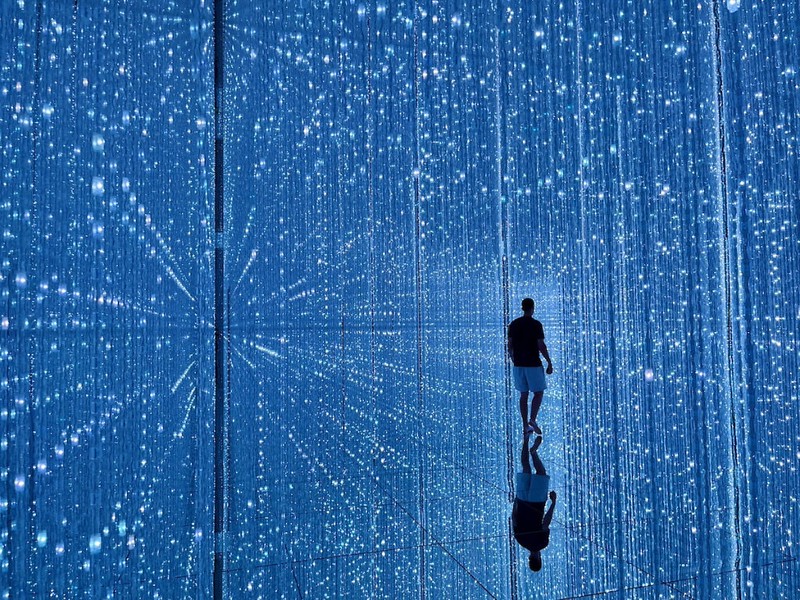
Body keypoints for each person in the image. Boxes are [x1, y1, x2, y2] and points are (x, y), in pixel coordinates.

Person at [507, 297, 552, 435]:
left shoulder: (513, 325)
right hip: (533, 364)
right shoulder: (536, 325)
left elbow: (510, 346)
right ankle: (532, 419)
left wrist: (514, 360)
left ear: (522, 307)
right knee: (538, 393)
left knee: (523, 395)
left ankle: (525, 425)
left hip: (519, 365)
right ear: (533, 308)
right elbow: (541, 345)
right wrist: (549, 362)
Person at [512, 434, 556, 571]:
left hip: (537, 502)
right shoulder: (521, 541)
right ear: (529, 560)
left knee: (541, 472)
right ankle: (525, 439)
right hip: (522, 501)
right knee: (525, 467)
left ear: (539, 559)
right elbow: (514, 519)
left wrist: (553, 502)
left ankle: (534, 452)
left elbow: (545, 522)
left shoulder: (543, 543)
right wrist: (516, 501)